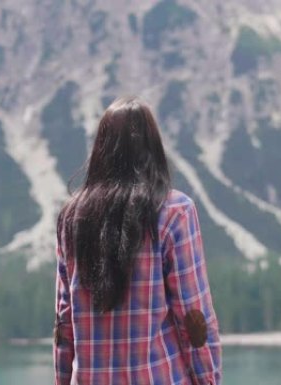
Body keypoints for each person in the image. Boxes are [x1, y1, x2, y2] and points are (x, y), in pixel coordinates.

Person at [53, 96, 222, 384]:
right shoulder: (174, 211)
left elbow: (64, 322)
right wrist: (209, 380)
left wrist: (62, 379)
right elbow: (193, 316)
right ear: (152, 147)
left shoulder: (72, 216)